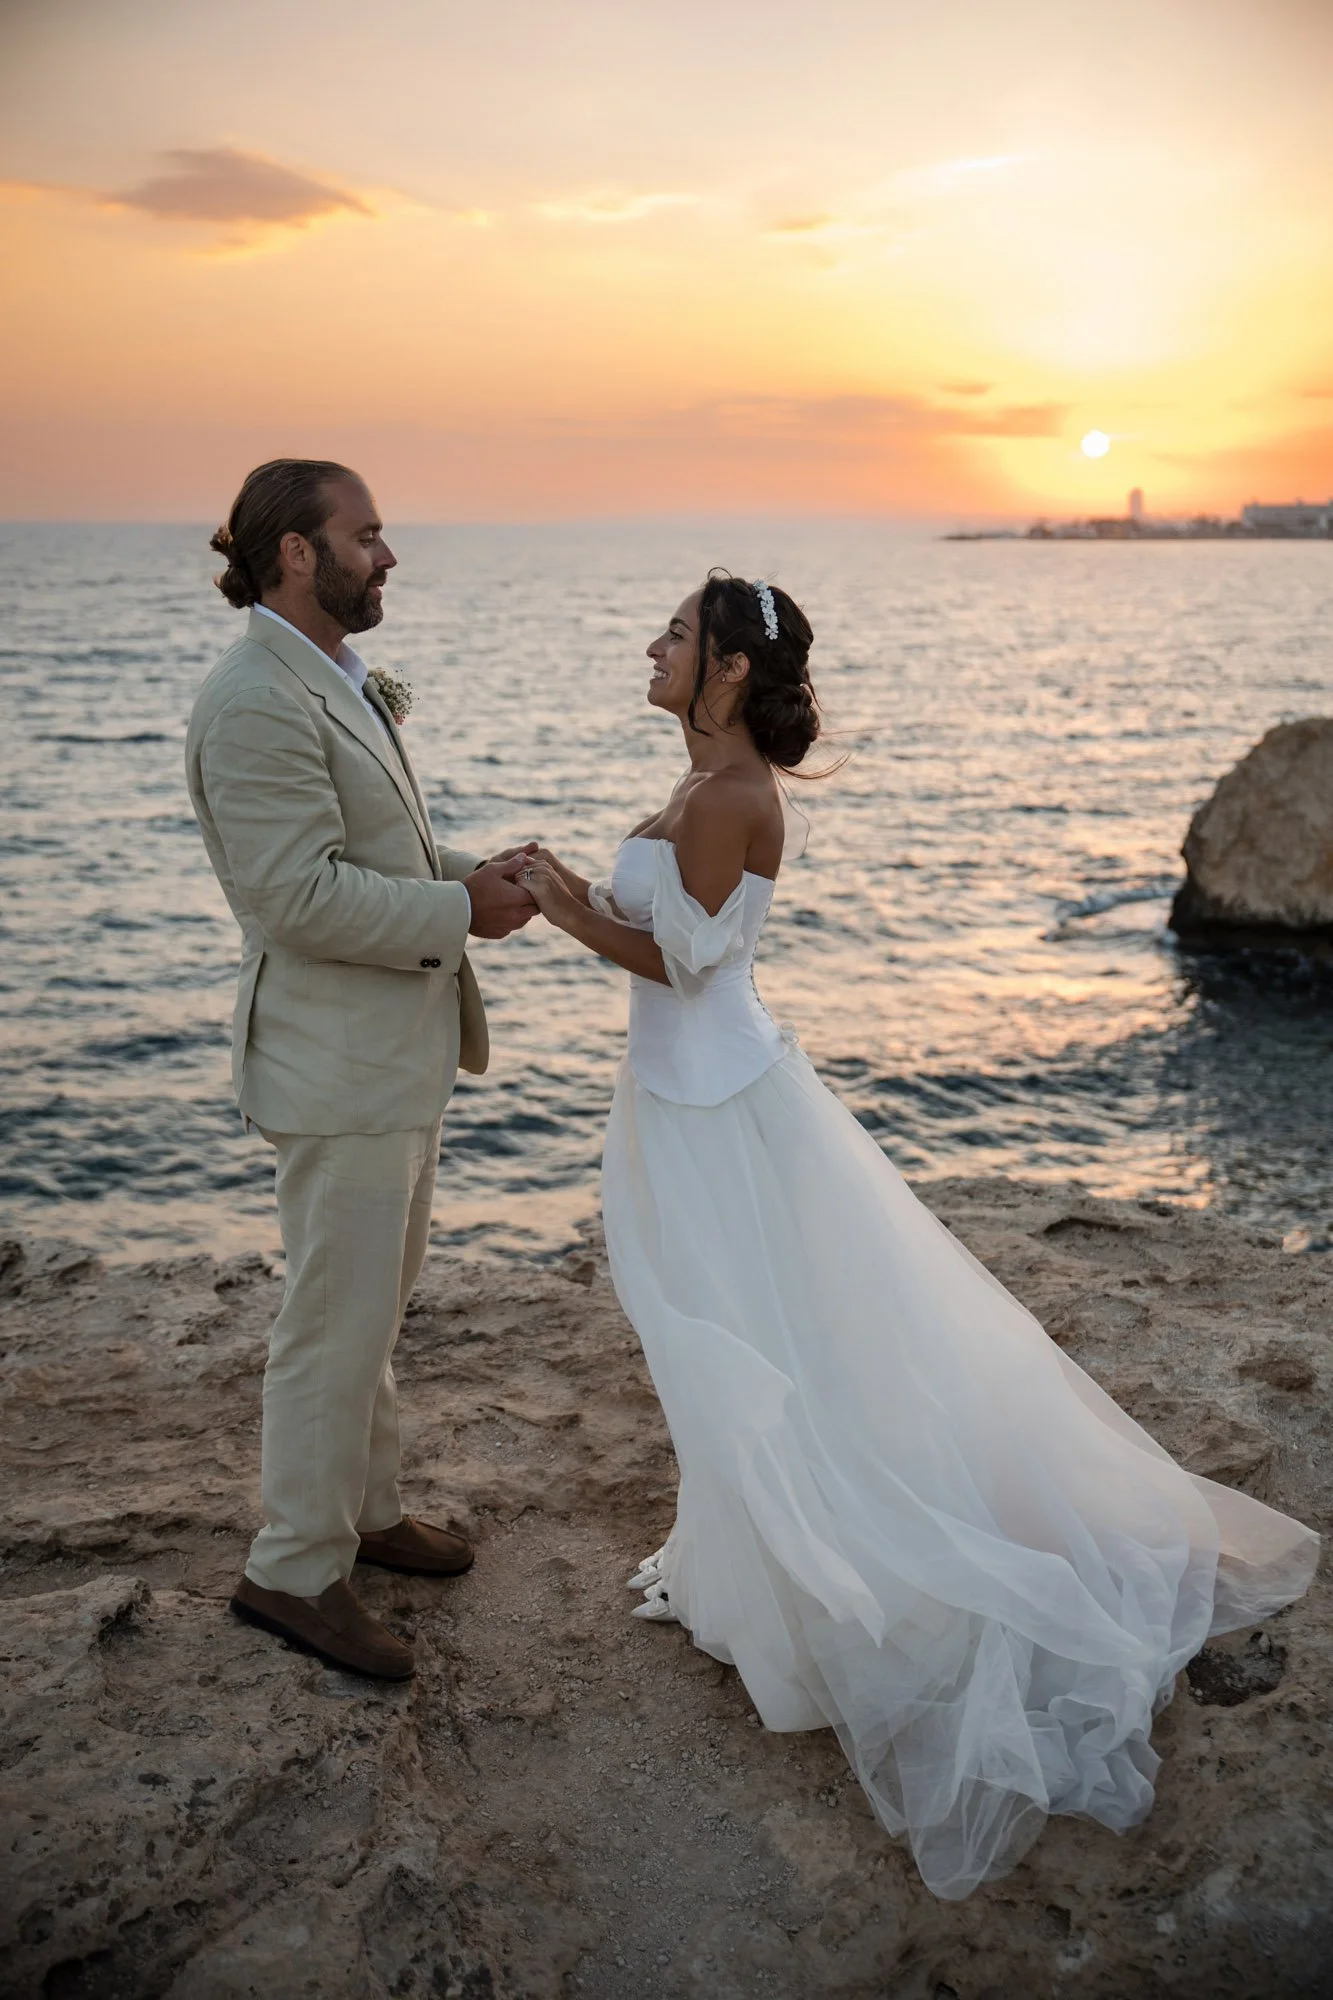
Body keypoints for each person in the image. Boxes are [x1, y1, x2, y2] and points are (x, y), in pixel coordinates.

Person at [519, 570, 1319, 1900]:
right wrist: (567, 887)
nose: (652, 645)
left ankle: (839, 1576)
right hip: (686, 1097)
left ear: (725, 671)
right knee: (723, 1338)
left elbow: (690, 965)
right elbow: (665, 934)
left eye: (675, 633)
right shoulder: (697, 784)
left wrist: (559, 907)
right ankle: (749, 1559)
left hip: (718, 1107)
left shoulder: (729, 798)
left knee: (744, 1339)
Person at [185, 458, 537, 1680]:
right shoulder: (251, 699)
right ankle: (292, 1571)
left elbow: (365, 844)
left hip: (392, 1050)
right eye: (367, 533)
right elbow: (294, 896)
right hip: (335, 1062)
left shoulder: (327, 674)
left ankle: (367, 1511)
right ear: (295, 551)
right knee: (330, 1325)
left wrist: (463, 870)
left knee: (374, 1309)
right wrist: (460, 908)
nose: (386, 555)